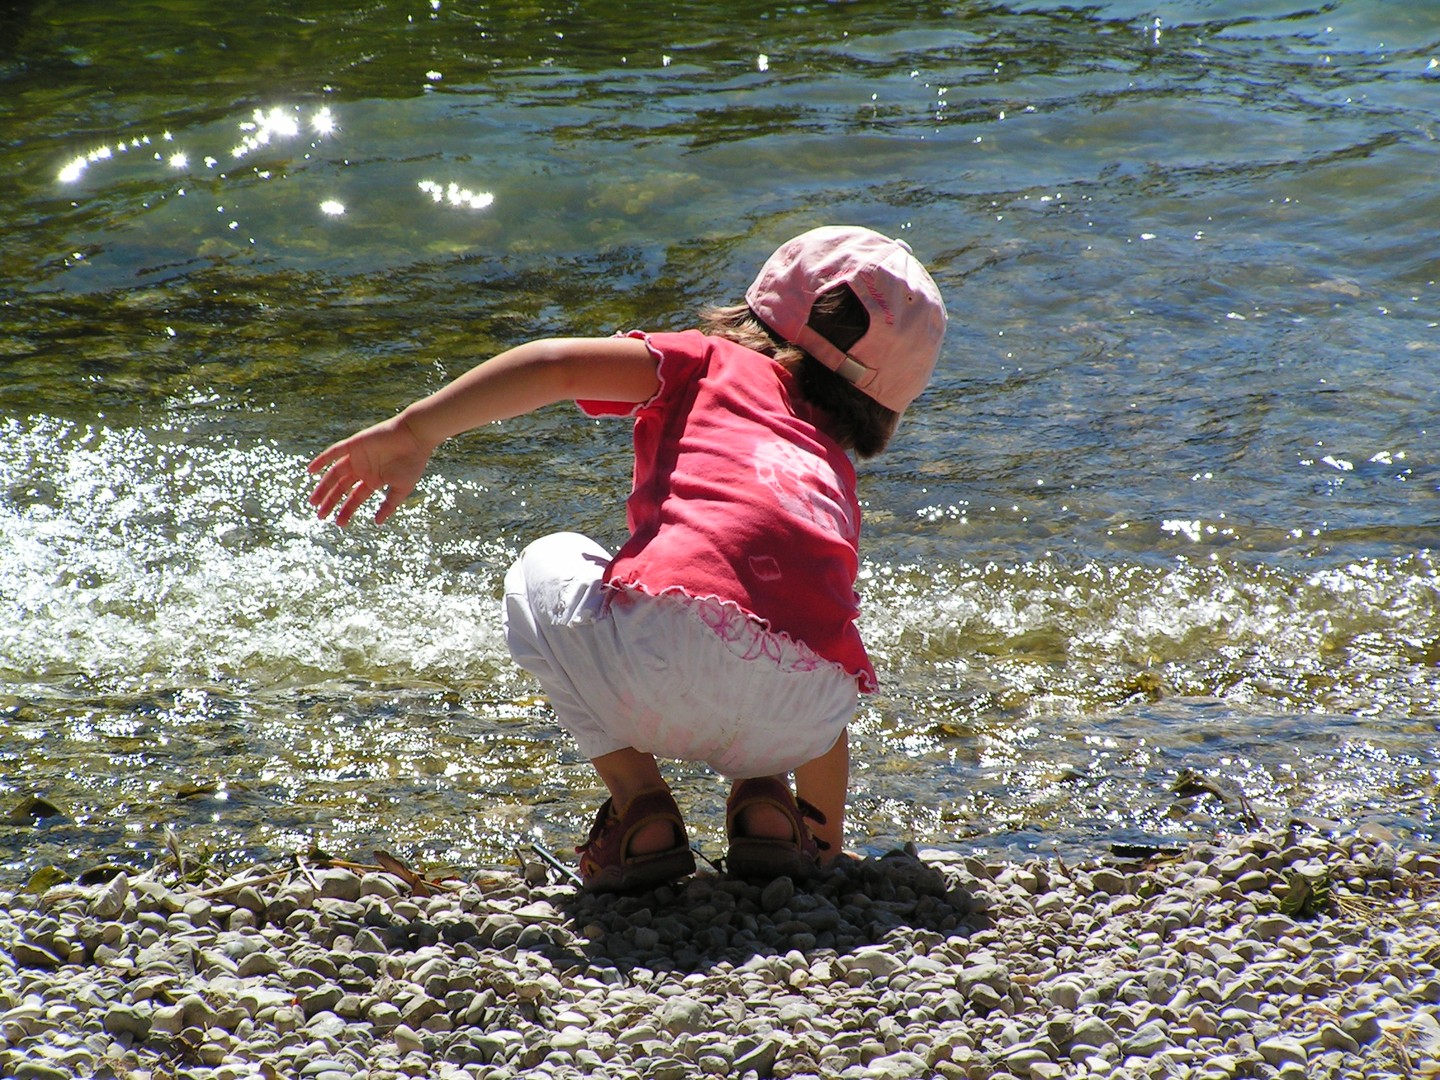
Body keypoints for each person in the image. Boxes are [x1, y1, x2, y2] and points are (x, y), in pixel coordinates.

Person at [307, 225, 947, 891]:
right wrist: (828, 848)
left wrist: (415, 430)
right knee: (793, 623)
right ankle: (777, 816)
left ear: (759, 312)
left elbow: (556, 366)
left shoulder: (709, 362)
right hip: (806, 713)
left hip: (662, 659)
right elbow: (824, 659)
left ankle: (640, 806)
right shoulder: (830, 467)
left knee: (546, 563)